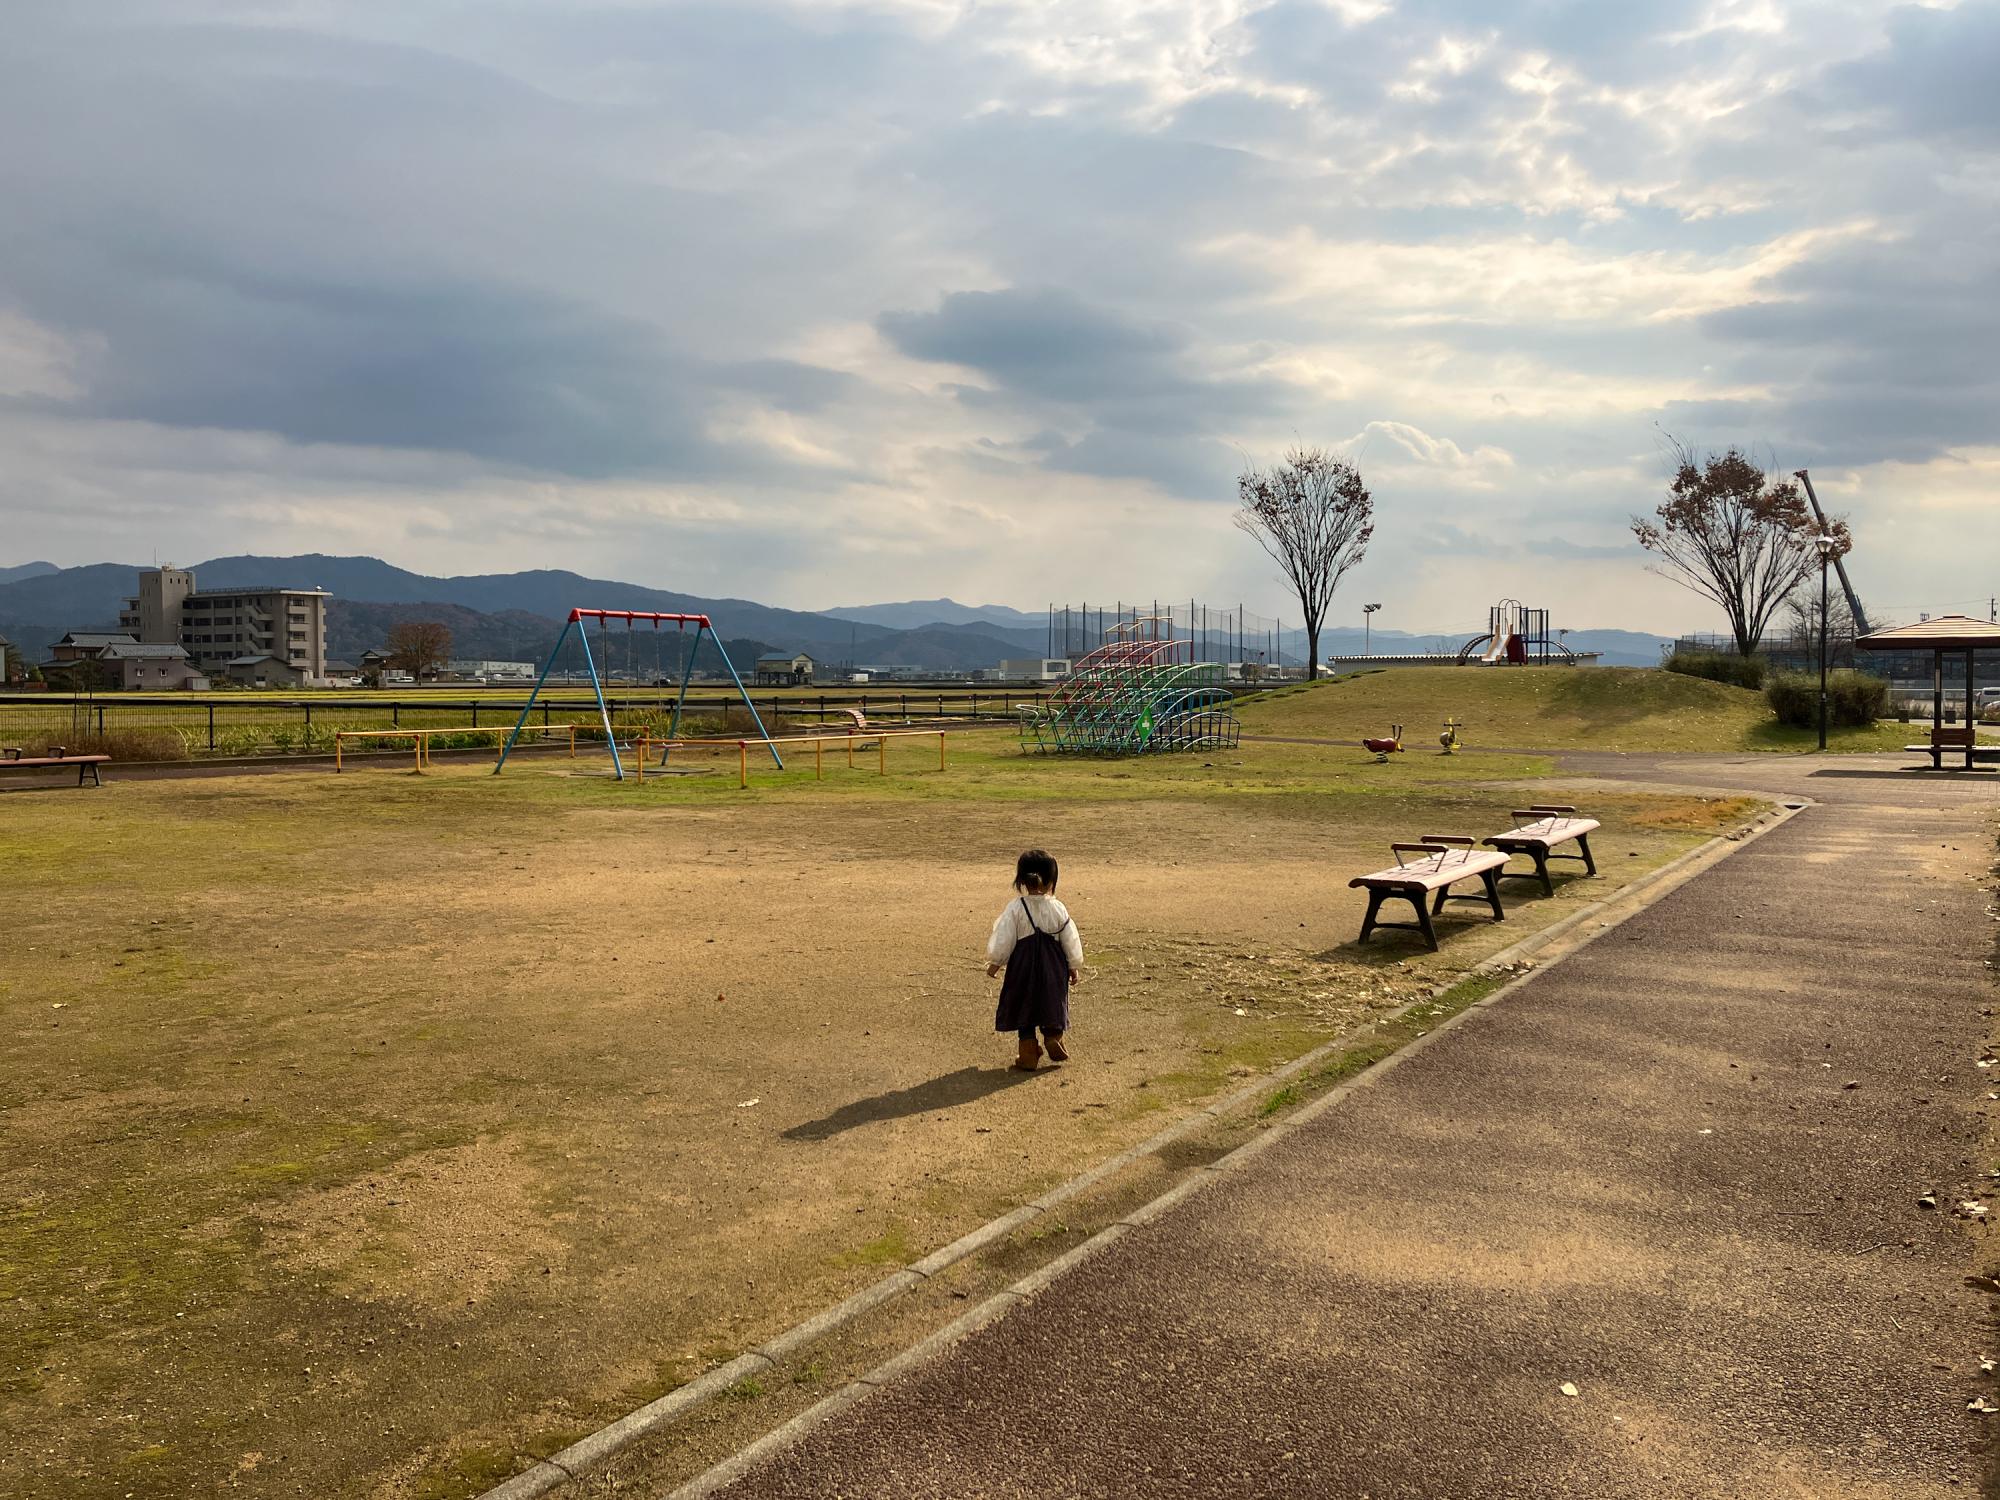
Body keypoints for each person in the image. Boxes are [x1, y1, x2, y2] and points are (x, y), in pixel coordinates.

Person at [985, 848, 1084, 1071]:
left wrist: (996, 963)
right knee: (1051, 1002)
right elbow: (1070, 938)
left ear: (1021, 879)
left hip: (1022, 967)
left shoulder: (1016, 908)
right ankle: (1053, 1037)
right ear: (1052, 880)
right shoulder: (1058, 908)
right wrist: (1073, 966)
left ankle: (1028, 1052)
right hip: (1054, 967)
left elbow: (1005, 939)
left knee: (1024, 1006)